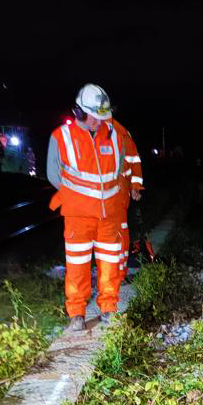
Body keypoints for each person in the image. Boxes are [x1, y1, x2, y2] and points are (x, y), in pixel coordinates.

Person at [46, 84, 125, 331]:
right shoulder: (61, 137)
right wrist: (80, 197)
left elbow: (119, 171)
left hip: (108, 215)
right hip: (78, 217)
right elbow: (53, 174)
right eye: (94, 116)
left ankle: (109, 308)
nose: (98, 121)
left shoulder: (114, 136)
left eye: (102, 116)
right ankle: (77, 314)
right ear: (79, 112)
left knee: (110, 265)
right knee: (77, 266)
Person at [110, 117, 143, 280]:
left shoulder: (121, 133)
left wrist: (134, 186)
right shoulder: (90, 132)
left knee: (120, 236)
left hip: (119, 197)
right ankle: (115, 274)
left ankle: (119, 274)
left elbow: (133, 162)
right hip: (104, 199)